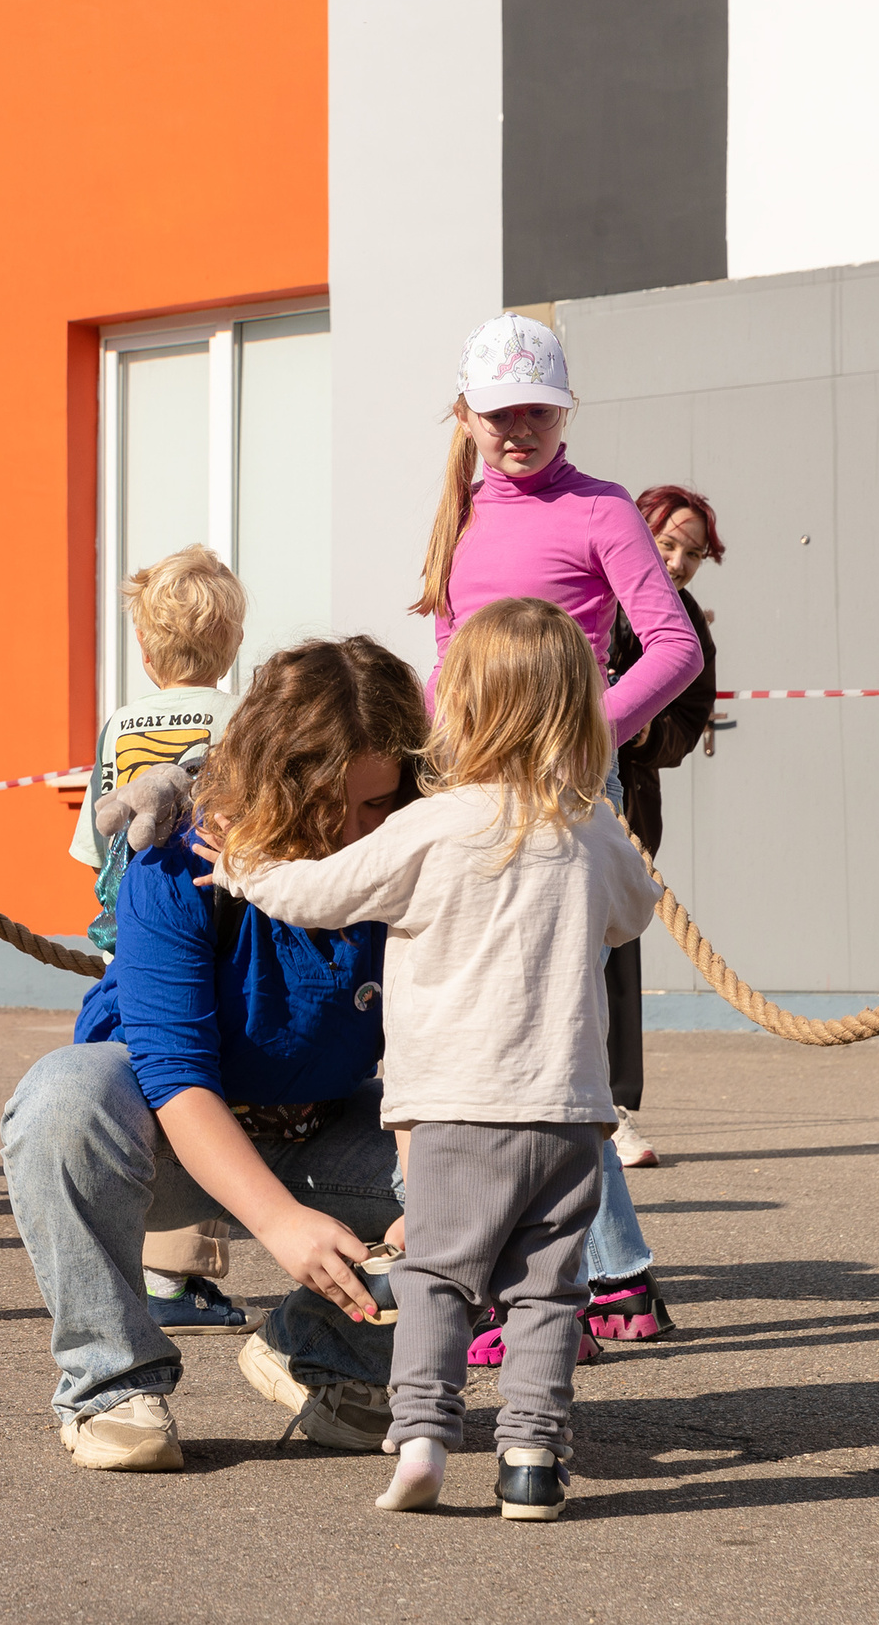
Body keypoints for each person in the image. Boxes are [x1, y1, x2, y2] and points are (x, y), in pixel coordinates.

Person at [226, 598, 661, 1522]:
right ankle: (532, 1459)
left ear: (458, 707)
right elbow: (634, 913)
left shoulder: (432, 827)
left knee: (437, 1275)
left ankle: (423, 1437)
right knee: (548, 1290)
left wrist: (241, 868)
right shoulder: (592, 829)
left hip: (459, 1109)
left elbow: (319, 894)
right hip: (570, 1114)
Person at [1, 636, 424, 1471]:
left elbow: (433, 1058)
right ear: (275, 784)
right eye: (326, 806)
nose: (352, 834)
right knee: (61, 1097)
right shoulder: (176, 862)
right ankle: (111, 1384)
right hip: (162, 1139)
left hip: (321, 1131)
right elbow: (173, 1071)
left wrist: (439, 1196)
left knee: (516, 1155)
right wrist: (279, 1225)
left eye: (377, 805)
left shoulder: (417, 863)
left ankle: (324, 1354)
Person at [412, 312, 700, 1356]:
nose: (518, 430)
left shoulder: (601, 508)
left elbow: (671, 647)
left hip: (570, 794)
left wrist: (586, 735)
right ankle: (605, 1277)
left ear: (565, 412)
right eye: (499, 414)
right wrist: (442, 757)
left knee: (550, 1046)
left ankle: (569, 1285)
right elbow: (449, 656)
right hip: (476, 795)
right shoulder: (457, 512)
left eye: (537, 410)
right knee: (508, 1043)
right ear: (466, 415)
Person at [67, 544, 251, 1336]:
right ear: (233, 642)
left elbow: (93, 843)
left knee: (138, 1074)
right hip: (208, 921)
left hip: (127, 922)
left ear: (143, 646)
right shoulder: (241, 718)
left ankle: (134, 1251)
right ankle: (176, 1272)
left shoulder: (120, 722)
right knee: (198, 1075)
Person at [601, 485, 724, 1180]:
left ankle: (614, 1108)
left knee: (617, 953)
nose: (677, 563)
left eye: (693, 554)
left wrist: (641, 728)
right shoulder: (594, 587)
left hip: (629, 812)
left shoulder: (687, 623)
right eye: (666, 544)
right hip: (549, 798)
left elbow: (688, 718)